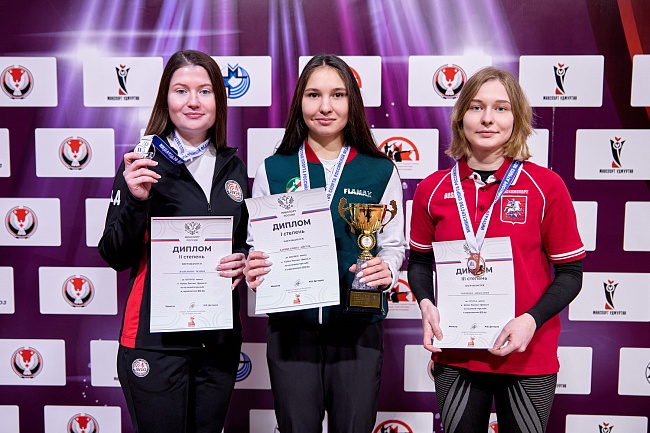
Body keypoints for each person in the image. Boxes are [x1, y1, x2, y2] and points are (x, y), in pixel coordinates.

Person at [408, 66, 585, 433]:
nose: (488, 118)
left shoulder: (545, 186)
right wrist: (425, 303)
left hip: (527, 355)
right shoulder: (432, 189)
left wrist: (530, 320)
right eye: (476, 107)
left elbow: (570, 274)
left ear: (516, 117)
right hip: (457, 353)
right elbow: (420, 262)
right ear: (461, 117)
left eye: (501, 108)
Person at [244, 54, 406, 433]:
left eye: (338, 95)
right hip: (292, 328)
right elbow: (256, 243)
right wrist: (255, 265)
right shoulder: (274, 168)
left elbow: (393, 245)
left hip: (357, 327)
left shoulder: (379, 169)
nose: (325, 107)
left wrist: (387, 268)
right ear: (300, 101)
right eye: (314, 95)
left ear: (352, 102)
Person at [98, 50, 249, 433]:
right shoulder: (142, 164)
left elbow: (244, 241)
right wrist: (136, 200)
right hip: (155, 342)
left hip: (217, 342)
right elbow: (114, 254)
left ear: (219, 100)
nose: (193, 101)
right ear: (166, 98)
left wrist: (243, 260)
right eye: (181, 90)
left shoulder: (233, 166)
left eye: (205, 91)